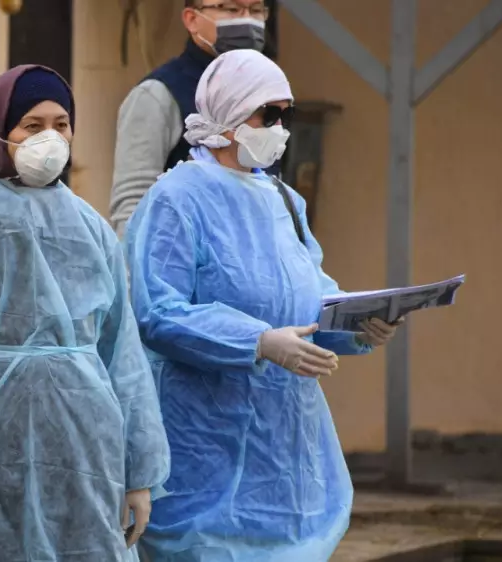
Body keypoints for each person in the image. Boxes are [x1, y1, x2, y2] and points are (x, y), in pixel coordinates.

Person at [125, 50, 403, 561]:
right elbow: (158, 312)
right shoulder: (177, 199)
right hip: (206, 453)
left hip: (286, 464)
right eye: (267, 114)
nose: (279, 128)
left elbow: (310, 293)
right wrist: (256, 341)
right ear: (229, 114)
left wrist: (357, 323)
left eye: (284, 114)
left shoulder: (284, 201)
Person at [0, 64, 170, 562]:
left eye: (61, 124)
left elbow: (124, 358)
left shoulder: (92, 229)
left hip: (90, 452)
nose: (50, 137)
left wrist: (139, 475)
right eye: (32, 125)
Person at [110, 0, 271, 237]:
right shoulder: (158, 94)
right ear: (192, 19)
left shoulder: (265, 93)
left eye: (256, 10)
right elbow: (133, 205)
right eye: (231, 9)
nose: (246, 19)